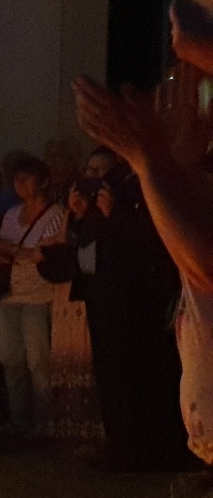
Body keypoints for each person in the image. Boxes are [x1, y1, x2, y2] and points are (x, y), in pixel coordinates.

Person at [78, 0, 213, 498]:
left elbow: (204, 261)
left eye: (184, 91)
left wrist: (147, 158)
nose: (168, 104)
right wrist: (155, 159)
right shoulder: (189, 179)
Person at [68, 172, 193, 471]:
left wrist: (115, 216)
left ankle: (146, 450)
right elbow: (88, 250)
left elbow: (145, 246)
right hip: (105, 306)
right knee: (112, 377)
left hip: (136, 308)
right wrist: (82, 216)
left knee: (136, 378)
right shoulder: (102, 212)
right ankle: (122, 445)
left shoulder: (143, 203)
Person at [0, 156, 68, 438]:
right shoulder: (12, 214)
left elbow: (42, 254)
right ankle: (19, 421)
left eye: (27, 177)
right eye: (16, 178)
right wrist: (16, 251)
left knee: (39, 361)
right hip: (13, 293)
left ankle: (46, 423)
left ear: (43, 181)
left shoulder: (55, 214)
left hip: (40, 294)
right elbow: (1, 251)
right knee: (10, 358)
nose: (20, 183)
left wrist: (12, 250)